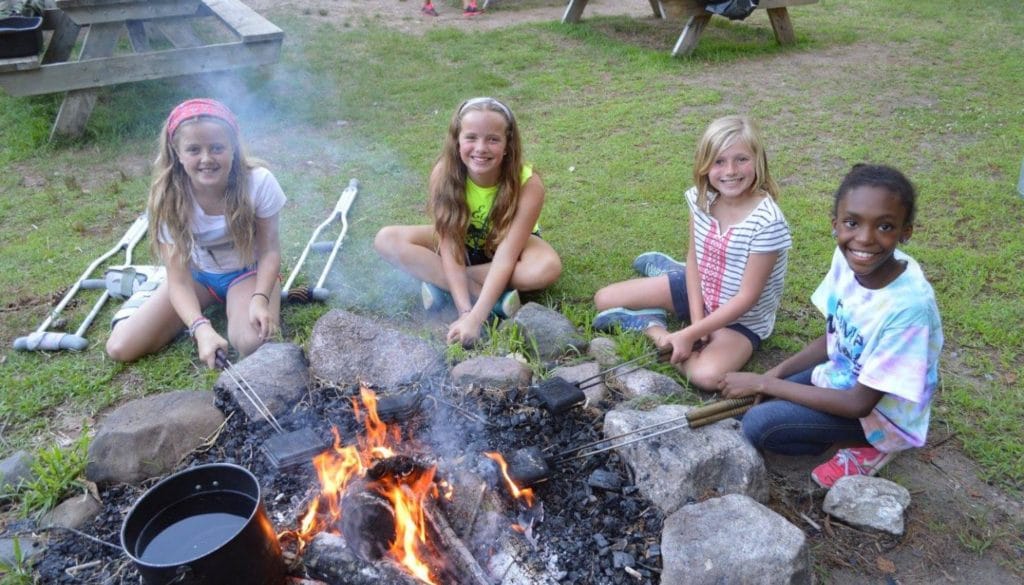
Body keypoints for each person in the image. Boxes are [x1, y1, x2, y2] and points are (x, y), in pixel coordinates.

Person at [718, 164, 944, 488]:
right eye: (852, 223)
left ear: (905, 231)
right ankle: (821, 431)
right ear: (835, 224)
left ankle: (875, 446)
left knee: (759, 423)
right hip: (842, 376)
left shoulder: (909, 308)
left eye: (884, 226)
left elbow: (859, 403)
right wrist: (774, 374)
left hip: (882, 414)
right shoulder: (848, 258)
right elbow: (834, 337)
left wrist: (764, 384)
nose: (864, 238)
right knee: (750, 405)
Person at [593, 115, 791, 391]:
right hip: (702, 288)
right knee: (604, 298)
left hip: (739, 319)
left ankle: (652, 329)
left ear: (758, 161)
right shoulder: (701, 199)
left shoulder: (768, 223)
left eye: (741, 159)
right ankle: (670, 279)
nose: (730, 170)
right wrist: (698, 324)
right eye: (719, 161)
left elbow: (747, 297)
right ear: (704, 164)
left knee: (706, 376)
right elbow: (695, 259)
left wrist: (688, 334)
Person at [106, 98, 286, 369]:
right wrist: (200, 328)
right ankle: (152, 289)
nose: (206, 159)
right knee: (120, 347)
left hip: (247, 274)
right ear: (176, 153)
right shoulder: (168, 196)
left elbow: (270, 251)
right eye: (193, 149)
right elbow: (179, 280)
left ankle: (250, 301)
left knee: (252, 342)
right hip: (197, 278)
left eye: (217, 148)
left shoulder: (259, 182)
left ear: (233, 149)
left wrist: (261, 298)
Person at [374, 97, 561, 346]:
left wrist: (475, 318)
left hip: (507, 245)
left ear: (508, 144)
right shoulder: (444, 174)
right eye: (471, 137)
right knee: (386, 239)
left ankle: (441, 284)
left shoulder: (528, 183)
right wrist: (466, 312)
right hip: (462, 242)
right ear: (457, 140)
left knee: (547, 268)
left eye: (493, 139)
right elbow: (450, 245)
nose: (481, 148)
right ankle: (490, 300)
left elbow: (506, 256)